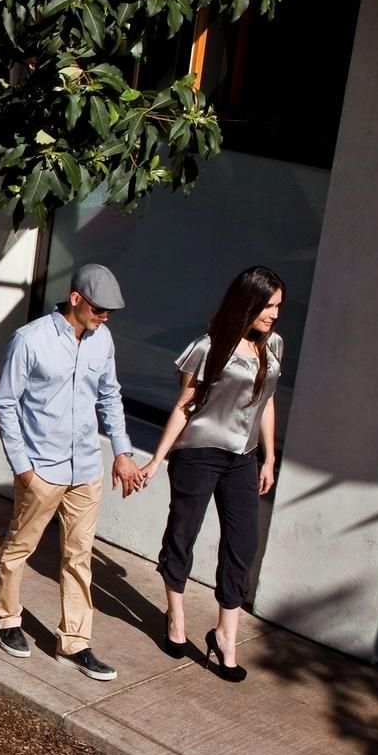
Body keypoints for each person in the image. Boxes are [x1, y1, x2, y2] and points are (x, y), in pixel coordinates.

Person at [0, 264, 146, 681]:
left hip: (86, 469)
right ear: (76, 298)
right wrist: (23, 468)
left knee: (79, 558)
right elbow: (5, 403)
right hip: (42, 467)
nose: (105, 317)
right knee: (20, 547)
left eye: (111, 312)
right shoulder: (30, 340)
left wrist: (122, 451)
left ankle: (74, 643)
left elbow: (110, 396)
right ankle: (7, 618)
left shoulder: (103, 340)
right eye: (99, 309)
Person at [137, 266, 285, 682]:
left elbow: (267, 404)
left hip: (244, 457)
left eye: (278, 307)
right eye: (268, 306)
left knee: (243, 543)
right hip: (198, 454)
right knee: (183, 534)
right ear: (247, 302)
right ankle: (176, 619)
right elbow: (185, 406)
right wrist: (155, 459)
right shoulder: (208, 347)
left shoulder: (273, 346)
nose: (274, 314)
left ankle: (225, 635)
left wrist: (269, 458)